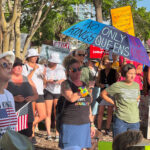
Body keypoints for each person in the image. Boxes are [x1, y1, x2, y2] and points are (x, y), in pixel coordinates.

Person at [59, 55, 95, 150]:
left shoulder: (84, 84)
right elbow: (71, 98)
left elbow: (88, 104)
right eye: (74, 70)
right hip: (71, 124)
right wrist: (86, 89)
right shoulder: (65, 84)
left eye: (79, 69)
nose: (78, 72)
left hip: (84, 124)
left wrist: (92, 124)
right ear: (67, 72)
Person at [101, 64, 140, 137]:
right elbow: (103, 94)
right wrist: (113, 103)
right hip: (121, 120)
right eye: (130, 73)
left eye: (134, 73)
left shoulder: (136, 85)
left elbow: (138, 96)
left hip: (135, 121)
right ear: (125, 74)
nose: (133, 76)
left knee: (134, 146)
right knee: (120, 145)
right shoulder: (117, 85)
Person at [7, 57, 38, 142]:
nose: (19, 67)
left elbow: (36, 95)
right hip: (12, 116)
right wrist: (13, 98)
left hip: (27, 116)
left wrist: (32, 98)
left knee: (27, 142)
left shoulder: (27, 79)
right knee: (14, 142)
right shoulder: (6, 80)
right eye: (16, 65)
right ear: (11, 67)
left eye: (21, 65)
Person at [22, 48, 46, 141]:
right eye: (34, 56)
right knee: (31, 115)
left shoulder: (40, 66)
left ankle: (27, 128)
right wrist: (33, 70)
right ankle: (31, 136)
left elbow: (44, 81)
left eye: (37, 56)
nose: (36, 57)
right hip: (30, 93)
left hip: (40, 92)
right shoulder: (24, 67)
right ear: (29, 57)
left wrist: (44, 76)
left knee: (43, 115)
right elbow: (26, 79)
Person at [44, 53, 66, 141]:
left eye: (56, 62)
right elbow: (43, 80)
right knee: (48, 113)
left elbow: (64, 79)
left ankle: (57, 134)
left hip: (57, 91)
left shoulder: (61, 69)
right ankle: (48, 134)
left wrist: (60, 81)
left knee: (56, 113)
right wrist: (47, 81)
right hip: (48, 91)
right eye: (53, 62)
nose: (55, 63)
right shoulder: (45, 68)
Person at [96, 55, 117, 135]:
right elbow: (97, 82)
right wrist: (100, 84)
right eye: (106, 62)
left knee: (110, 112)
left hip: (110, 93)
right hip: (101, 93)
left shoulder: (114, 71)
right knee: (100, 111)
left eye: (109, 62)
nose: (108, 64)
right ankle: (99, 128)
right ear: (103, 63)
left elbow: (116, 83)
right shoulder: (100, 71)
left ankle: (107, 129)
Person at [0, 51, 17, 137]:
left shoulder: (9, 95)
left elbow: (12, 128)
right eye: (5, 65)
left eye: (10, 64)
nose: (10, 67)